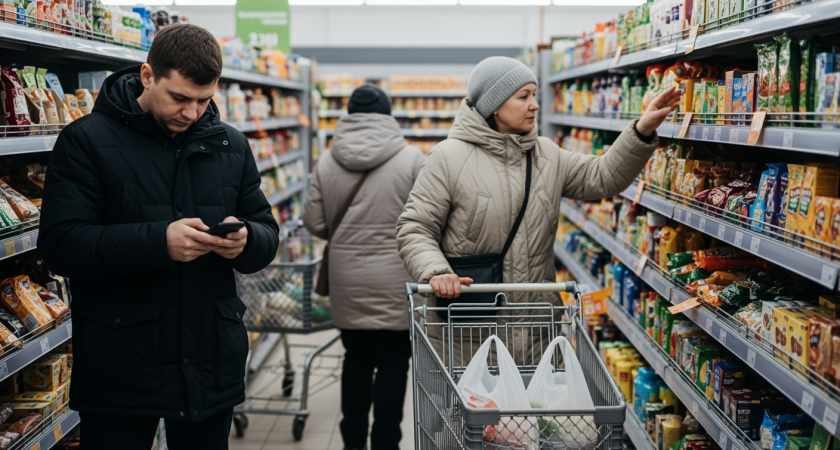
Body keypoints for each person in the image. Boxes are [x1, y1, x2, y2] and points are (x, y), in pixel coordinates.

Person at [37, 24, 279, 450]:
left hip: (209, 362)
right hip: (122, 366)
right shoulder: (86, 141)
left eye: (204, 100)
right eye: (180, 98)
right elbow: (61, 246)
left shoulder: (231, 145)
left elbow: (266, 230)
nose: (192, 112)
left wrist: (248, 241)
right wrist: (158, 243)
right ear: (148, 76)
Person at [396, 56, 679, 365]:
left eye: (534, 94)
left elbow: (602, 177)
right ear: (495, 104)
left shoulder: (546, 154)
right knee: (475, 412)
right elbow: (415, 227)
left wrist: (642, 129)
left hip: (537, 330)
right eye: (523, 96)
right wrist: (437, 272)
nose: (535, 105)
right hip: (470, 333)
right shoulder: (448, 158)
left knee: (532, 411)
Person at [302, 84, 425, 450]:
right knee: (393, 364)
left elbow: (314, 220)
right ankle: (385, 442)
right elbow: (429, 219)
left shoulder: (327, 160)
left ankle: (352, 441)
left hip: (346, 277)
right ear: (388, 115)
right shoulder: (413, 158)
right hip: (398, 277)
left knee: (355, 359)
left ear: (348, 116)